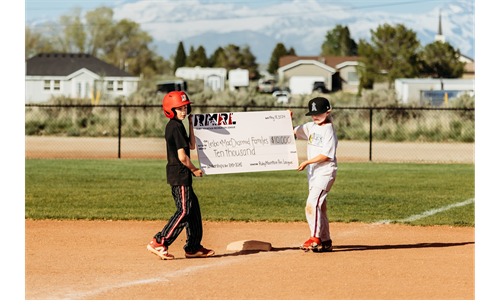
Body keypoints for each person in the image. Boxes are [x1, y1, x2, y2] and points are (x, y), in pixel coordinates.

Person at [147, 91, 215, 260]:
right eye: (179, 108)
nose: (184, 111)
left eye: (185, 107)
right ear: (170, 109)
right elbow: (182, 157)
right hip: (179, 174)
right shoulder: (174, 126)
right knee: (184, 210)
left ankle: (193, 247)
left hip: (181, 174)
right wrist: (194, 169)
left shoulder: (179, 125)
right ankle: (159, 241)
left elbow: (191, 146)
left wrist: (192, 125)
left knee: (193, 210)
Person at [291, 97, 338, 252]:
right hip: (313, 174)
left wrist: (306, 162)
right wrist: (286, 119)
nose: (315, 116)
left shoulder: (328, 130)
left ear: (328, 112)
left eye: (319, 113)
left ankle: (315, 237)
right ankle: (325, 240)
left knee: (312, 203)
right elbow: (292, 132)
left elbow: (326, 155)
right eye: (313, 113)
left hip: (326, 172)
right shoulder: (311, 126)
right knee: (321, 207)